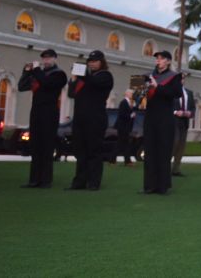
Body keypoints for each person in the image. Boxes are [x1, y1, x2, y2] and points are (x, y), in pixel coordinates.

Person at [19, 49, 67, 189]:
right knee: (35, 146)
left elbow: (47, 83)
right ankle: (34, 180)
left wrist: (36, 70)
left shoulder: (59, 74)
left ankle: (46, 180)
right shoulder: (38, 73)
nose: (46, 61)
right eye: (44, 58)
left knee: (47, 146)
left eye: (49, 58)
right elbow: (22, 86)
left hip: (50, 112)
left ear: (55, 59)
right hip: (36, 111)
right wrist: (27, 72)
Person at [67, 50, 114, 191]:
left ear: (102, 62)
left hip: (95, 118)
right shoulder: (84, 78)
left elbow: (93, 82)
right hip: (80, 118)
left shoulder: (105, 76)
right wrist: (74, 80)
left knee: (94, 151)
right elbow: (71, 94)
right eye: (90, 61)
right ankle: (79, 182)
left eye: (95, 61)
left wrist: (82, 73)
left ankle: (93, 182)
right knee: (80, 151)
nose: (92, 64)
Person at [142, 50, 182, 194]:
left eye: (161, 58)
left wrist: (158, 87)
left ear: (168, 61)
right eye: (157, 58)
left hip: (165, 117)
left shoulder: (174, 77)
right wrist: (139, 90)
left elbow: (176, 93)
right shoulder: (148, 75)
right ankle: (149, 185)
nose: (158, 60)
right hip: (150, 116)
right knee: (150, 151)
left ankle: (163, 186)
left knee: (163, 151)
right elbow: (138, 95)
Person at [171, 78, 195, 177]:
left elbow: (193, 107)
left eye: (183, 78)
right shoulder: (171, 92)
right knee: (174, 143)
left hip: (184, 122)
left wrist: (190, 113)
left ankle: (176, 169)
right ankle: (163, 168)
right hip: (173, 121)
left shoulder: (189, 93)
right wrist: (176, 112)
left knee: (181, 146)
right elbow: (167, 107)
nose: (181, 80)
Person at [114, 89, 137, 166]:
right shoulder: (123, 103)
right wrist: (131, 115)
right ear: (127, 94)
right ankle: (126, 161)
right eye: (131, 93)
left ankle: (125, 161)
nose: (132, 95)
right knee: (122, 143)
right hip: (122, 127)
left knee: (123, 144)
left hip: (126, 127)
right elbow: (122, 114)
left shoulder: (130, 103)